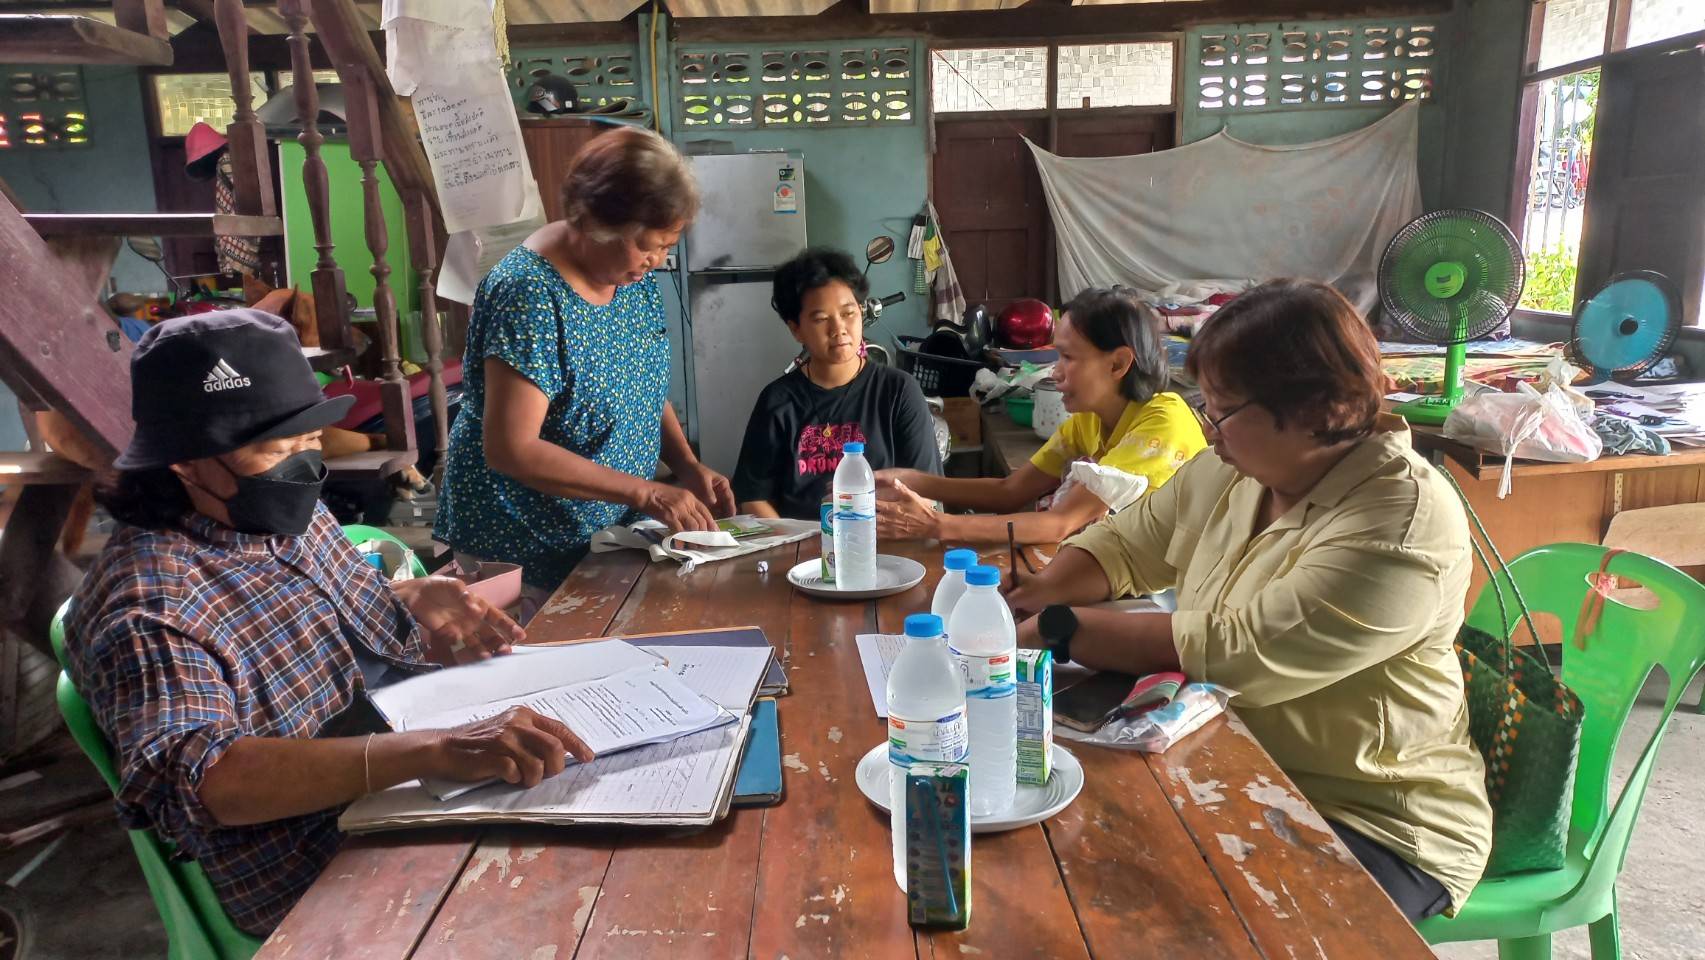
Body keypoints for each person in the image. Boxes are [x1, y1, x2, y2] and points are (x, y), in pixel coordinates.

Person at [66, 310, 591, 936]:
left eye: (310, 440)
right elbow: (211, 780)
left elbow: (305, 616)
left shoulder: (274, 514)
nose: (304, 466)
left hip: (408, 762)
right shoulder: (150, 606)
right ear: (183, 463)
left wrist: (408, 593)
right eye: (275, 449)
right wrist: (439, 750)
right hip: (318, 857)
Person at [1003, 280, 1492, 921]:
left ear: (1317, 407)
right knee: (1055, 855)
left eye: (1224, 409)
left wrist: (1054, 626)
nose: (1208, 431)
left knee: (1170, 920)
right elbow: (1128, 541)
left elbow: (1240, 652)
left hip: (1371, 819)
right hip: (1228, 758)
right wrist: (1036, 593)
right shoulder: (1239, 468)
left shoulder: (1400, 521)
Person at [435, 126, 733, 606]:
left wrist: (686, 465)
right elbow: (512, 449)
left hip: (600, 536)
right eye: (647, 246)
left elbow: (642, 387)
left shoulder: (630, 278)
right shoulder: (529, 294)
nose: (655, 261)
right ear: (592, 222)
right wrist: (649, 494)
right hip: (521, 546)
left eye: (666, 247)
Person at [876, 287, 1205, 545]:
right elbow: (1010, 492)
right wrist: (913, 480)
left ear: (1118, 364)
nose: (1055, 372)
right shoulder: (1088, 421)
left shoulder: (1164, 423)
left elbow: (1059, 523)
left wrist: (937, 525)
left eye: (1067, 357)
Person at [732, 247, 940, 520]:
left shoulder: (899, 392)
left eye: (848, 313)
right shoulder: (777, 401)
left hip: (885, 542)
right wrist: (798, 547)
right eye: (820, 319)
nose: (838, 328)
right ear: (796, 329)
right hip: (801, 553)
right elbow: (753, 498)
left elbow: (925, 493)